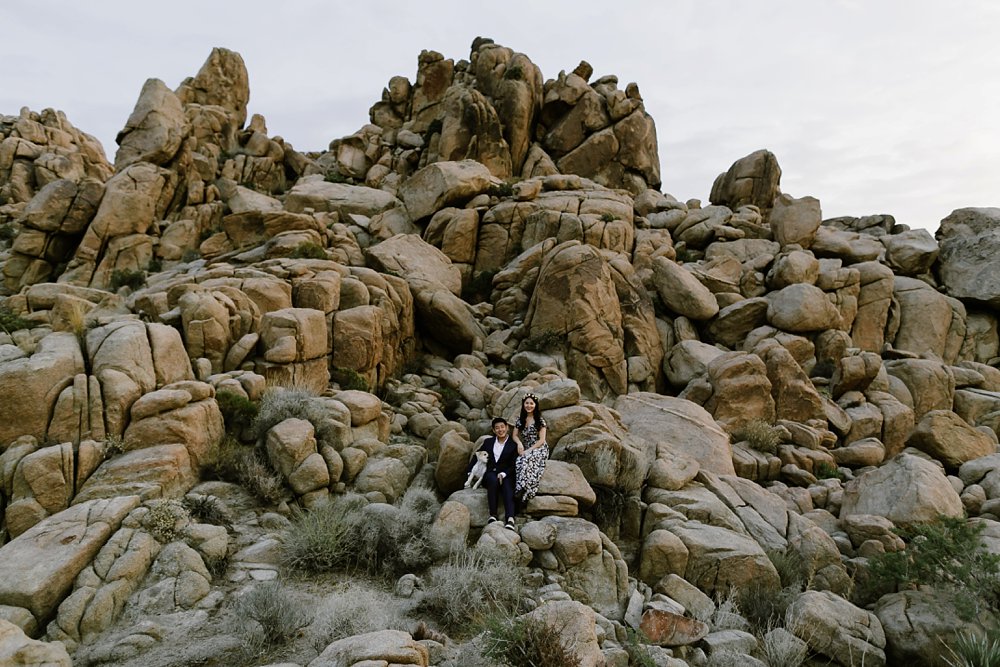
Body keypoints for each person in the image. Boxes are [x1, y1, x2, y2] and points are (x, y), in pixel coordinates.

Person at [468, 416, 519, 530]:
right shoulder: (488, 442)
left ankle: (510, 518)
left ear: (507, 428)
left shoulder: (513, 444)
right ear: (493, 430)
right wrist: (469, 471)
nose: (500, 430)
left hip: (506, 474)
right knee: (492, 480)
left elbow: (513, 465)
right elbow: (477, 455)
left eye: (502, 427)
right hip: (490, 473)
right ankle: (493, 515)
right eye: (497, 428)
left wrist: (503, 474)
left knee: (507, 486)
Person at [513, 392, 548, 508]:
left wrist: (529, 450)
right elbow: (514, 435)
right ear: (523, 405)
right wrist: (519, 443)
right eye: (527, 403)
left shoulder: (540, 420)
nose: (529, 406)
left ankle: (526, 492)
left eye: (531, 403)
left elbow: (542, 440)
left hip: (539, 447)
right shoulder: (520, 420)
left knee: (530, 461)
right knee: (519, 461)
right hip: (526, 447)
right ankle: (520, 490)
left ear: (535, 405)